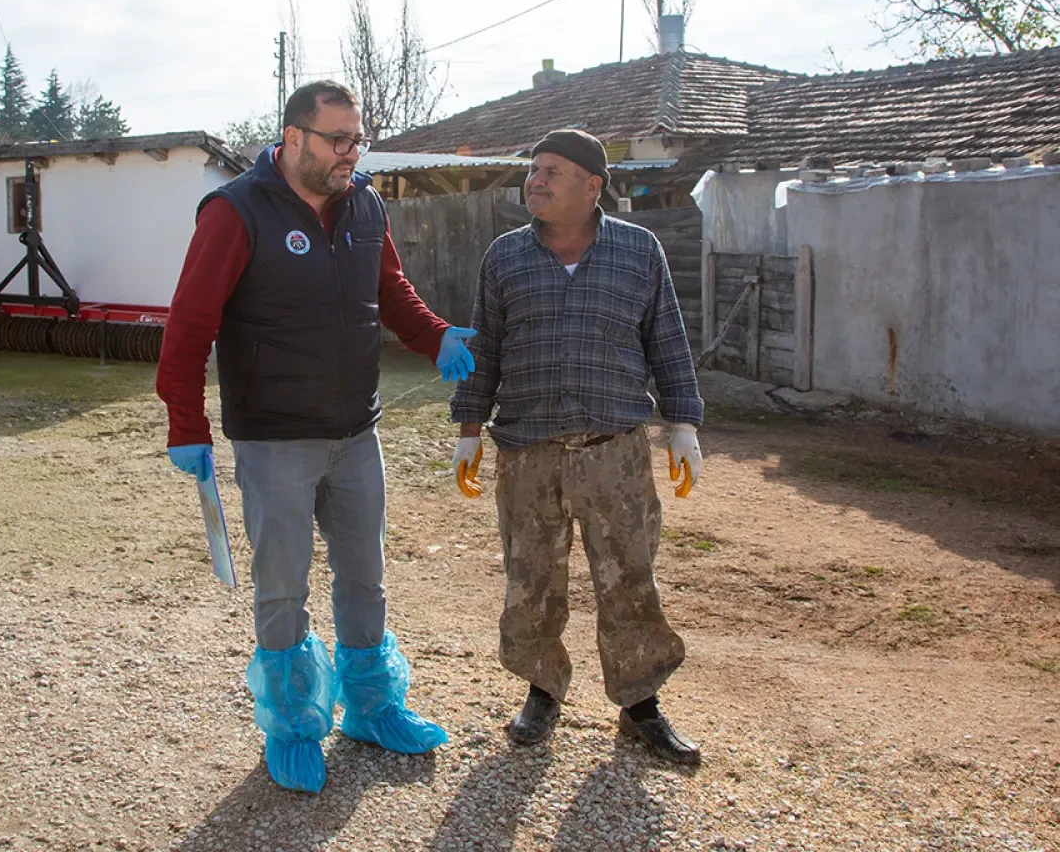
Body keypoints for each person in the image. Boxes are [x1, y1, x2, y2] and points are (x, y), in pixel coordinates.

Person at [156, 81, 476, 793]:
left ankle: (371, 706)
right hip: (274, 441)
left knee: (366, 577)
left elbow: (390, 290)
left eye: (357, 140)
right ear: (294, 137)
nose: (351, 154)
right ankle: (296, 725)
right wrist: (186, 421)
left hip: (355, 432)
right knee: (283, 589)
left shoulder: (364, 204)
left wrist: (436, 337)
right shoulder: (235, 212)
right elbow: (189, 325)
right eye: (338, 140)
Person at [449, 128, 705, 764]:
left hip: (614, 449)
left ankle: (640, 705)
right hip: (528, 451)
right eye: (532, 169)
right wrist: (467, 430)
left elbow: (667, 342)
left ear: (593, 186)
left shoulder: (639, 251)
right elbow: (484, 350)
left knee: (630, 580)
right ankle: (542, 693)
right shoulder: (505, 256)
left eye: (551, 171)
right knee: (531, 579)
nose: (534, 180)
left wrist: (683, 424)